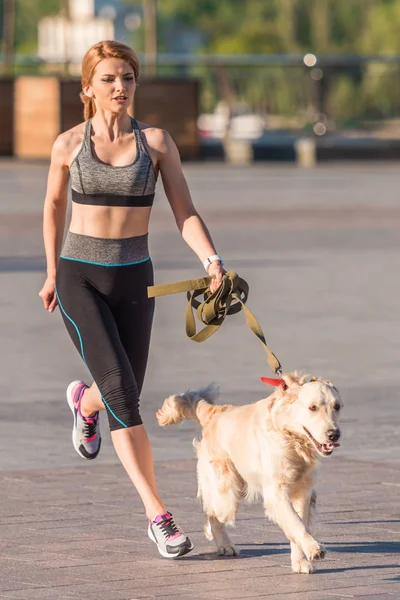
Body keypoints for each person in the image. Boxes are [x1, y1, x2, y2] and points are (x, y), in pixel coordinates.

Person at [38, 40, 225, 559]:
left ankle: (83, 401)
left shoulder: (157, 144)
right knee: (123, 388)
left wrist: (212, 262)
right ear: (88, 88)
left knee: (124, 389)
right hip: (80, 279)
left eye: (127, 77)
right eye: (108, 78)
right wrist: (52, 272)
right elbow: (53, 206)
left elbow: (184, 210)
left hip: (134, 279)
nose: (120, 86)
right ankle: (158, 516)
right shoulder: (68, 145)